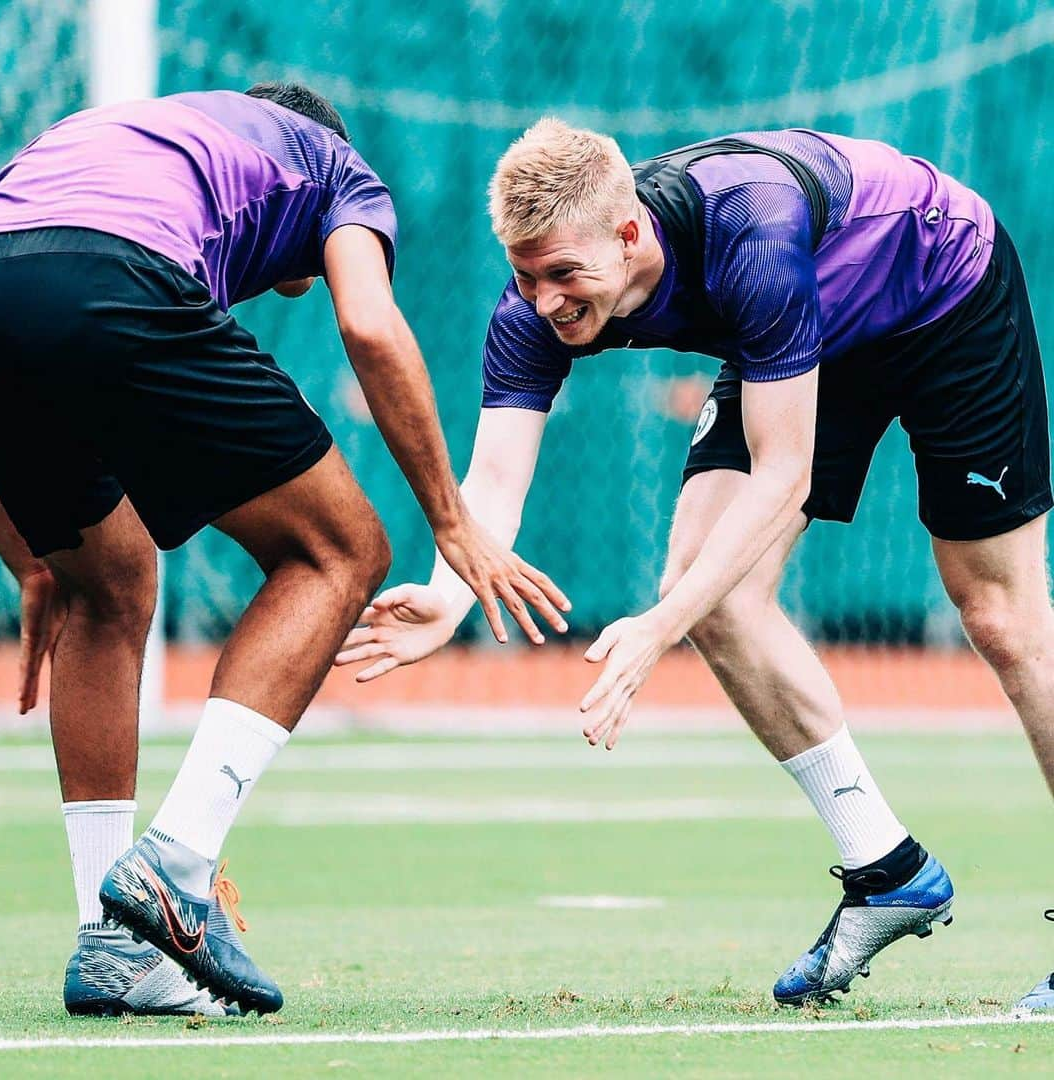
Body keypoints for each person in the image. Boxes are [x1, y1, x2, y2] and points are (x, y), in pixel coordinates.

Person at [336, 119, 1054, 1010]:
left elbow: (784, 478)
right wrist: (451, 594)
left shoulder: (751, 233)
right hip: (798, 332)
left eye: (564, 274)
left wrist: (651, 633)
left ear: (630, 232)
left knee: (1002, 620)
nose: (545, 300)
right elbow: (492, 481)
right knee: (713, 597)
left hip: (941, 288)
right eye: (526, 275)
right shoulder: (532, 312)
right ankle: (886, 868)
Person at [0, 83, 569, 1017]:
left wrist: (33, 562)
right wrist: (452, 524)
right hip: (115, 277)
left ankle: (108, 941)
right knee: (341, 551)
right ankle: (176, 866)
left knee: (110, 585)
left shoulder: (115, 138)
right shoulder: (335, 166)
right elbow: (370, 324)